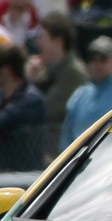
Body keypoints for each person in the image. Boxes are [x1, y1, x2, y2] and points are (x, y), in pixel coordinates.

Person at [28, 13, 87, 157]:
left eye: (42, 38)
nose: (38, 44)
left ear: (58, 41)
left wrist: (30, 85)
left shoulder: (72, 73)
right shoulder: (48, 70)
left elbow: (47, 110)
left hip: (61, 152)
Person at [61, 36, 112, 145]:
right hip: (81, 154)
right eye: (92, 59)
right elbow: (67, 137)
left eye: (103, 59)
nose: (97, 64)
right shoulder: (80, 96)